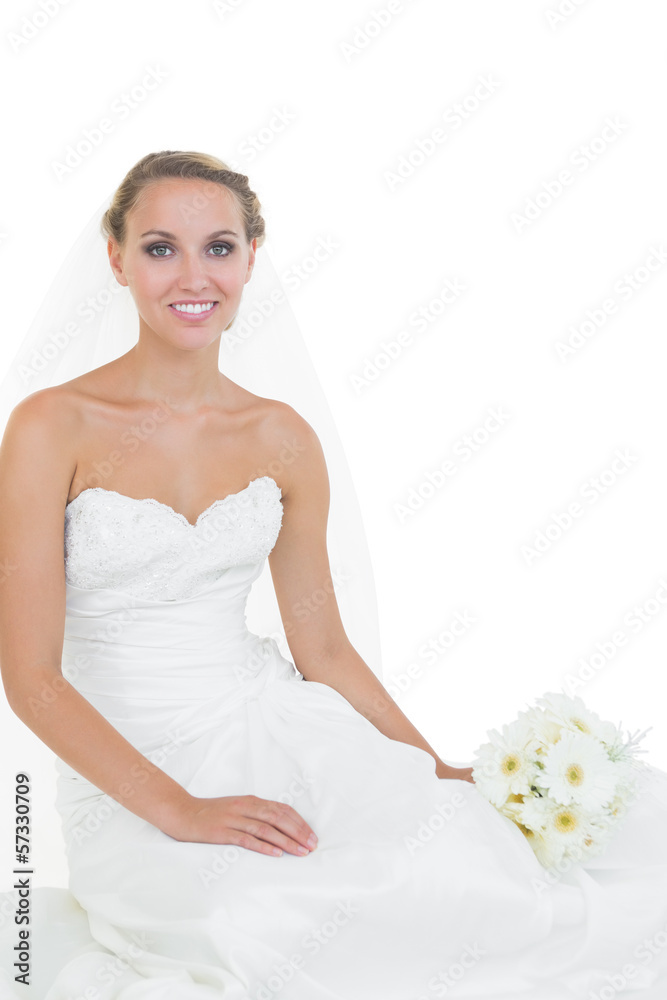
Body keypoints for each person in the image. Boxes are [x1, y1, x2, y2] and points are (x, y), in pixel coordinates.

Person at [0, 150, 666, 1000]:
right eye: (161, 248)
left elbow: (322, 648)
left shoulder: (280, 436)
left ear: (251, 258)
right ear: (116, 258)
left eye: (219, 247)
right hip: (131, 766)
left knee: (457, 879)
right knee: (250, 920)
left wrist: (434, 768)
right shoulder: (51, 426)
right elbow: (32, 678)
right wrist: (180, 809)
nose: (193, 276)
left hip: (279, 726)